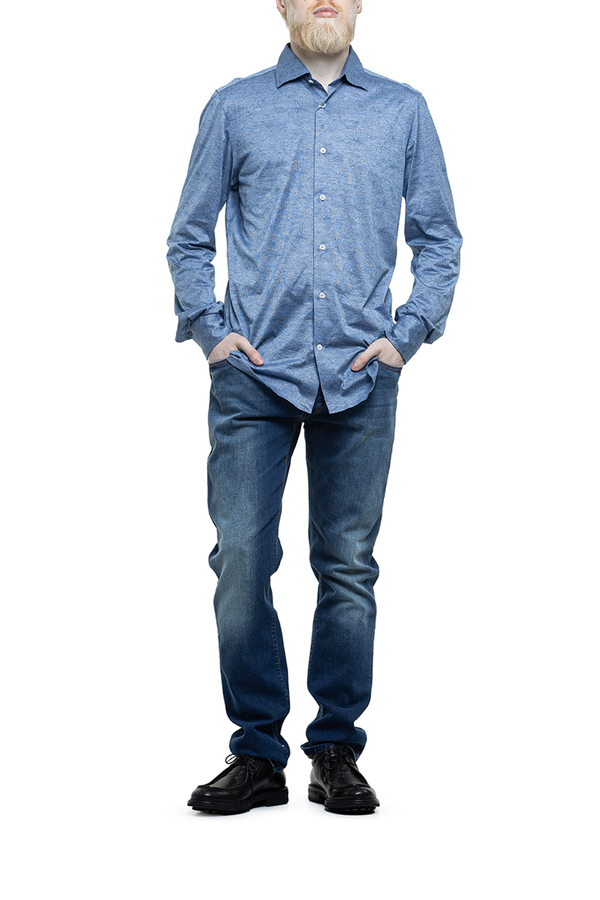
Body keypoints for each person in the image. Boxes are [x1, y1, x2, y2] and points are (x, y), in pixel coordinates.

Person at [166, 0, 461, 816]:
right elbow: (188, 235)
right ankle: (257, 753)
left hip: (363, 375)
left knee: (349, 565)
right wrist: (211, 331)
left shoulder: (404, 110)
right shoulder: (234, 107)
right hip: (254, 375)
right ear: (282, 4)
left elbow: (440, 238)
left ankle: (335, 748)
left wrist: (407, 335)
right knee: (240, 559)